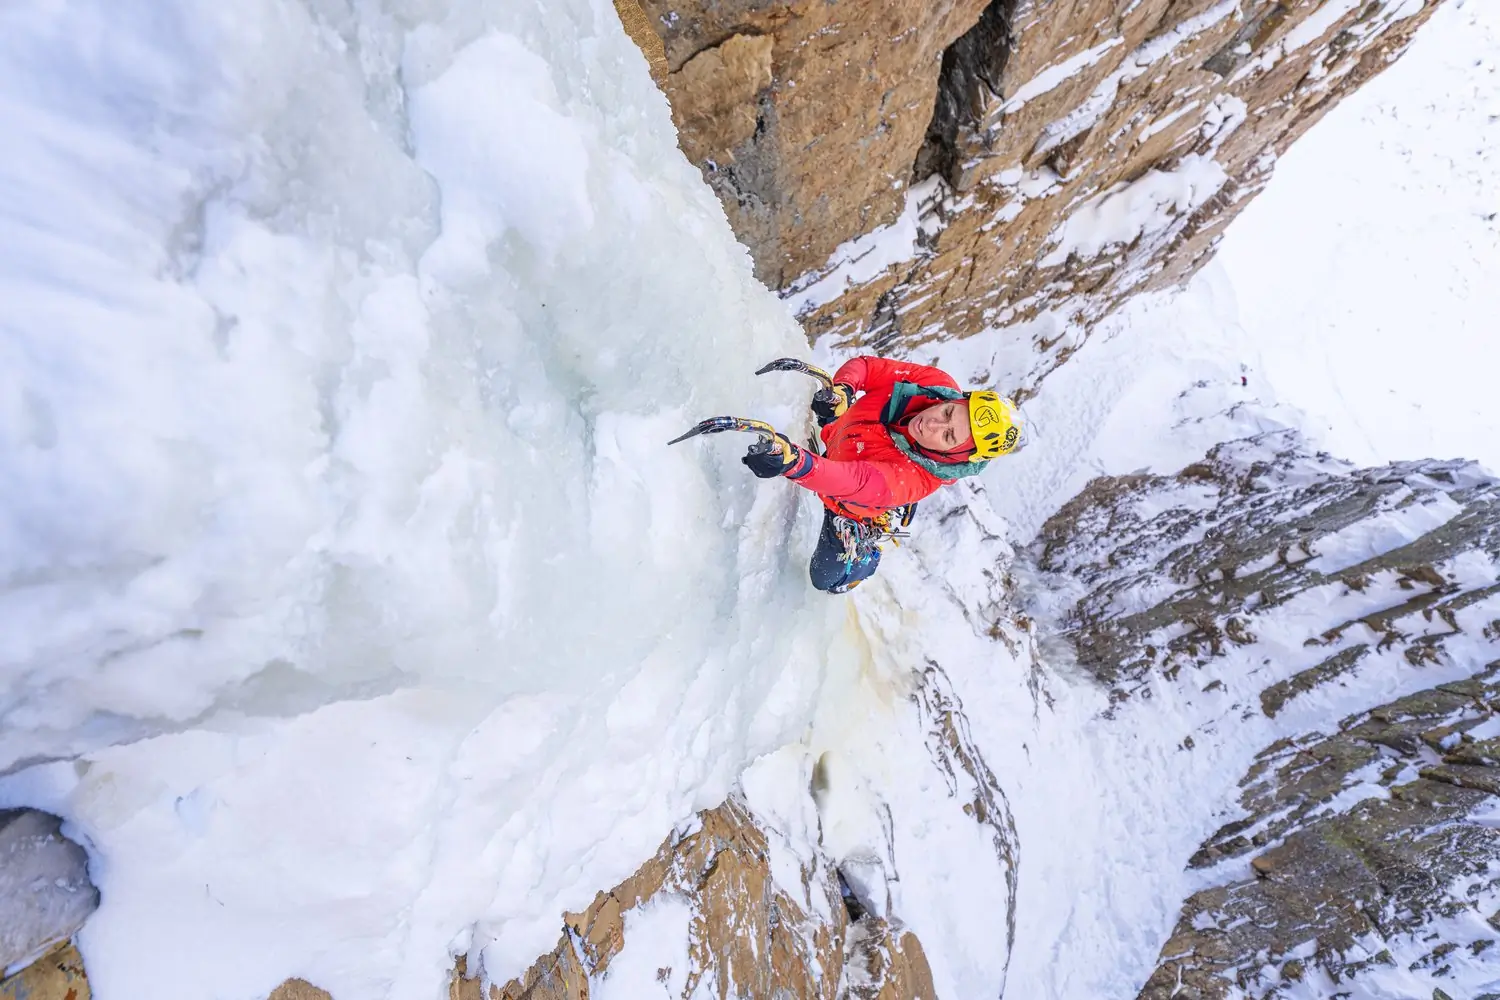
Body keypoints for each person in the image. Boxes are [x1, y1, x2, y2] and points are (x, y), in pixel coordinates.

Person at [742, 355, 1025, 593]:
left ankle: (862, 562)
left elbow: (853, 480)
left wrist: (794, 463)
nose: (933, 424)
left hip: (851, 506)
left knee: (825, 579)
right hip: (848, 434)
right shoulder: (933, 384)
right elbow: (867, 368)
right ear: (955, 399)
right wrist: (844, 389)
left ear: (957, 457)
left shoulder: (915, 480)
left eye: (948, 436)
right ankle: (834, 423)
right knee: (830, 412)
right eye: (948, 413)